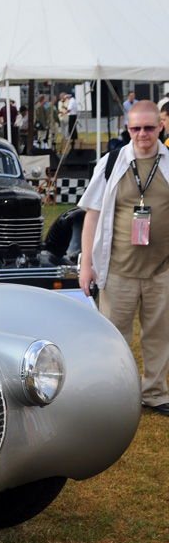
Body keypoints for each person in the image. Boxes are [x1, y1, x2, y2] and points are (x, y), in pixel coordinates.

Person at [78, 100, 169, 415]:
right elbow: (92, 215)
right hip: (117, 270)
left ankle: (155, 394)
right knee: (112, 339)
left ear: (161, 126)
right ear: (127, 129)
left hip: (162, 270)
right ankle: (114, 394)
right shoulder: (111, 162)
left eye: (149, 127)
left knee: (159, 337)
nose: (143, 134)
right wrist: (86, 265)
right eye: (136, 128)